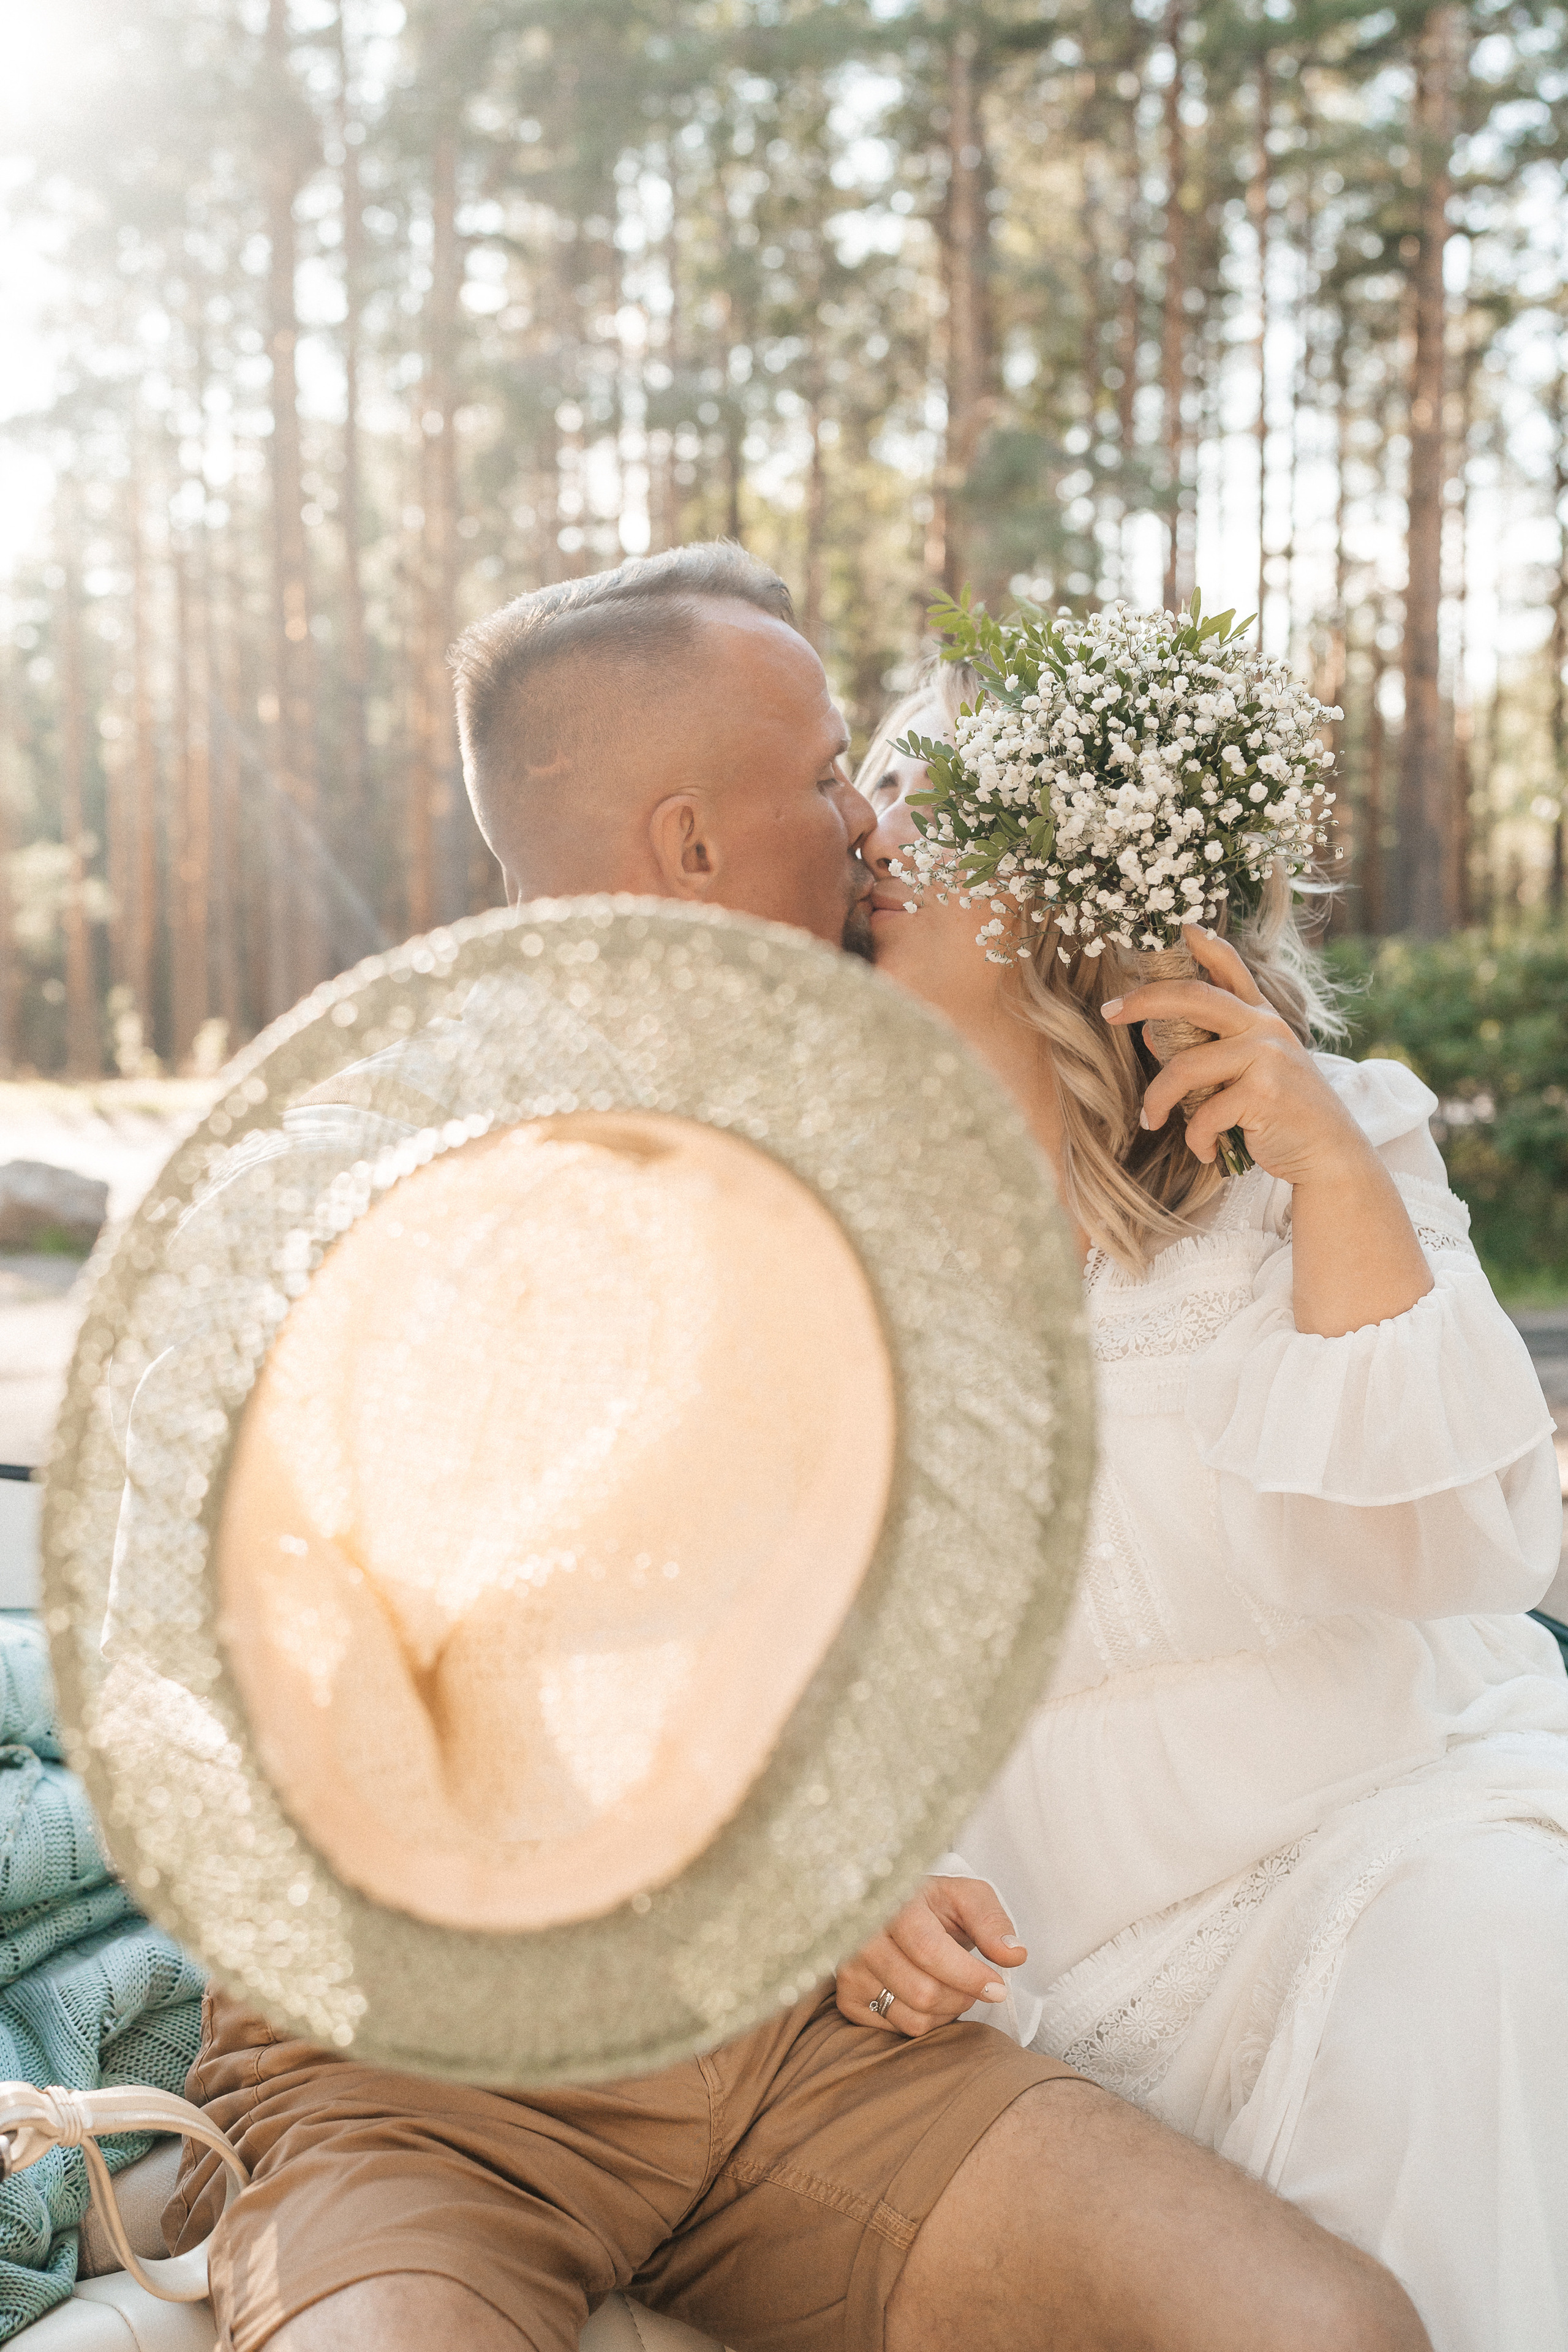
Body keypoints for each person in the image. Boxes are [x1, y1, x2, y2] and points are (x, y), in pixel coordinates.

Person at [163, 548, 1428, 2352]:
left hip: (811, 2061)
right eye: (833, 773)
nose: (871, 819)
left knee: (1321, 2330)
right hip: (435, 2078)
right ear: (691, 847)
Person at [838, 654, 1568, 2352]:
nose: (870, 832)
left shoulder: (1312, 1147)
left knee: (1491, 1952)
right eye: (870, 785)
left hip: (1358, 1832)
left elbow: (1451, 1549)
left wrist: (1330, 1177)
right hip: (1030, 1940)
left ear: (1071, 897)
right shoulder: (818, 1203)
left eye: (930, 807)